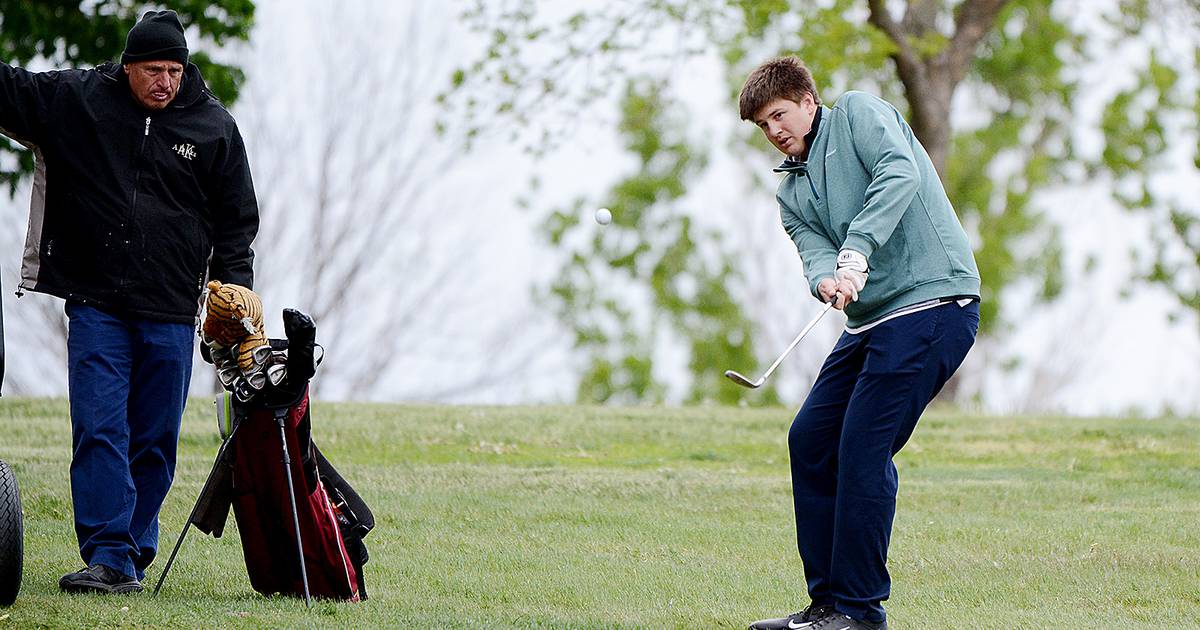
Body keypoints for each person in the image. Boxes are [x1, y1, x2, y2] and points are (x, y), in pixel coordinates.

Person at [0, 10, 259, 594]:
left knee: (154, 439)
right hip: (96, 305)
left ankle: (132, 551)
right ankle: (110, 556)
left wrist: (236, 297)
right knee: (98, 428)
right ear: (129, 66)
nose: (165, 81)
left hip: (170, 311)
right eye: (153, 70)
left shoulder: (215, 127)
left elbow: (237, 223)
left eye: (174, 70)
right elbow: (10, 89)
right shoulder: (83, 99)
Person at [738, 57, 981, 630]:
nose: (774, 131)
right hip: (870, 323)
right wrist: (825, 275)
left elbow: (900, 173)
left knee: (863, 449)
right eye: (763, 126)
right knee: (811, 439)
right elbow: (812, 248)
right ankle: (826, 606)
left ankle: (859, 611)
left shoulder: (860, 116)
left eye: (779, 115)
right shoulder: (790, 192)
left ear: (807, 100)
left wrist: (857, 249)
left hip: (934, 303)